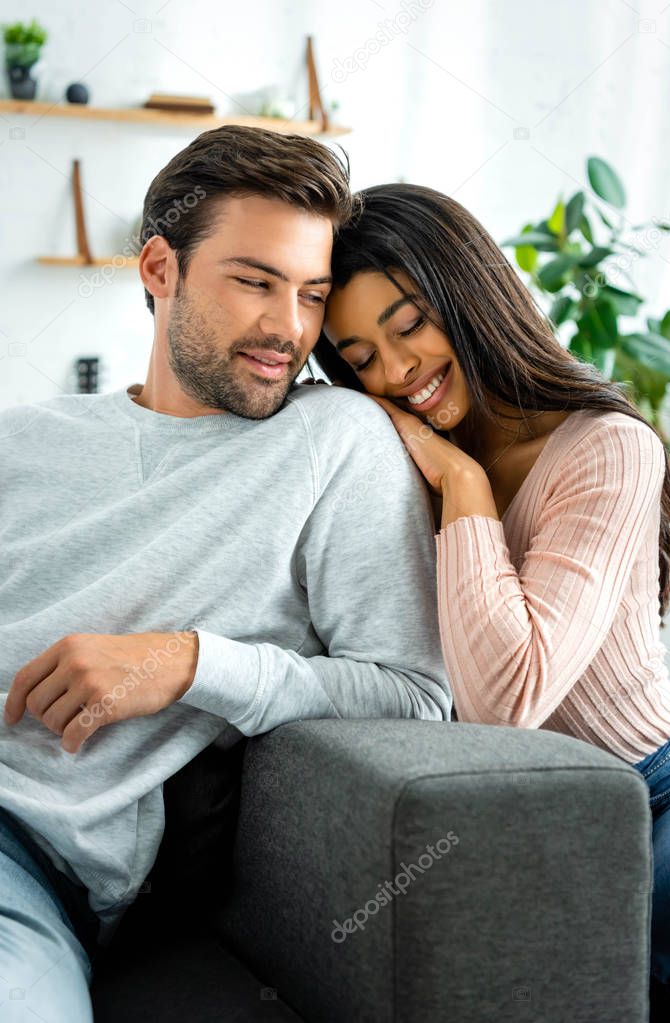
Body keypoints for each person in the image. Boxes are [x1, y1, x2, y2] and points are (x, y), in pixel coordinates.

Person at [0, 137, 452, 1021]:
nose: (289, 326)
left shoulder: (334, 443)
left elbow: (413, 694)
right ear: (160, 266)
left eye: (311, 294)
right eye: (255, 281)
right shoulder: (22, 441)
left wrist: (191, 661)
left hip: (30, 868)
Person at [312, 182, 670, 1018]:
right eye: (361, 356)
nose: (398, 371)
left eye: (409, 325)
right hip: (514, 808)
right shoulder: (395, 455)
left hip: (651, 788)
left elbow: (505, 698)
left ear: (468, 293)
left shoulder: (607, 448)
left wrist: (465, 484)